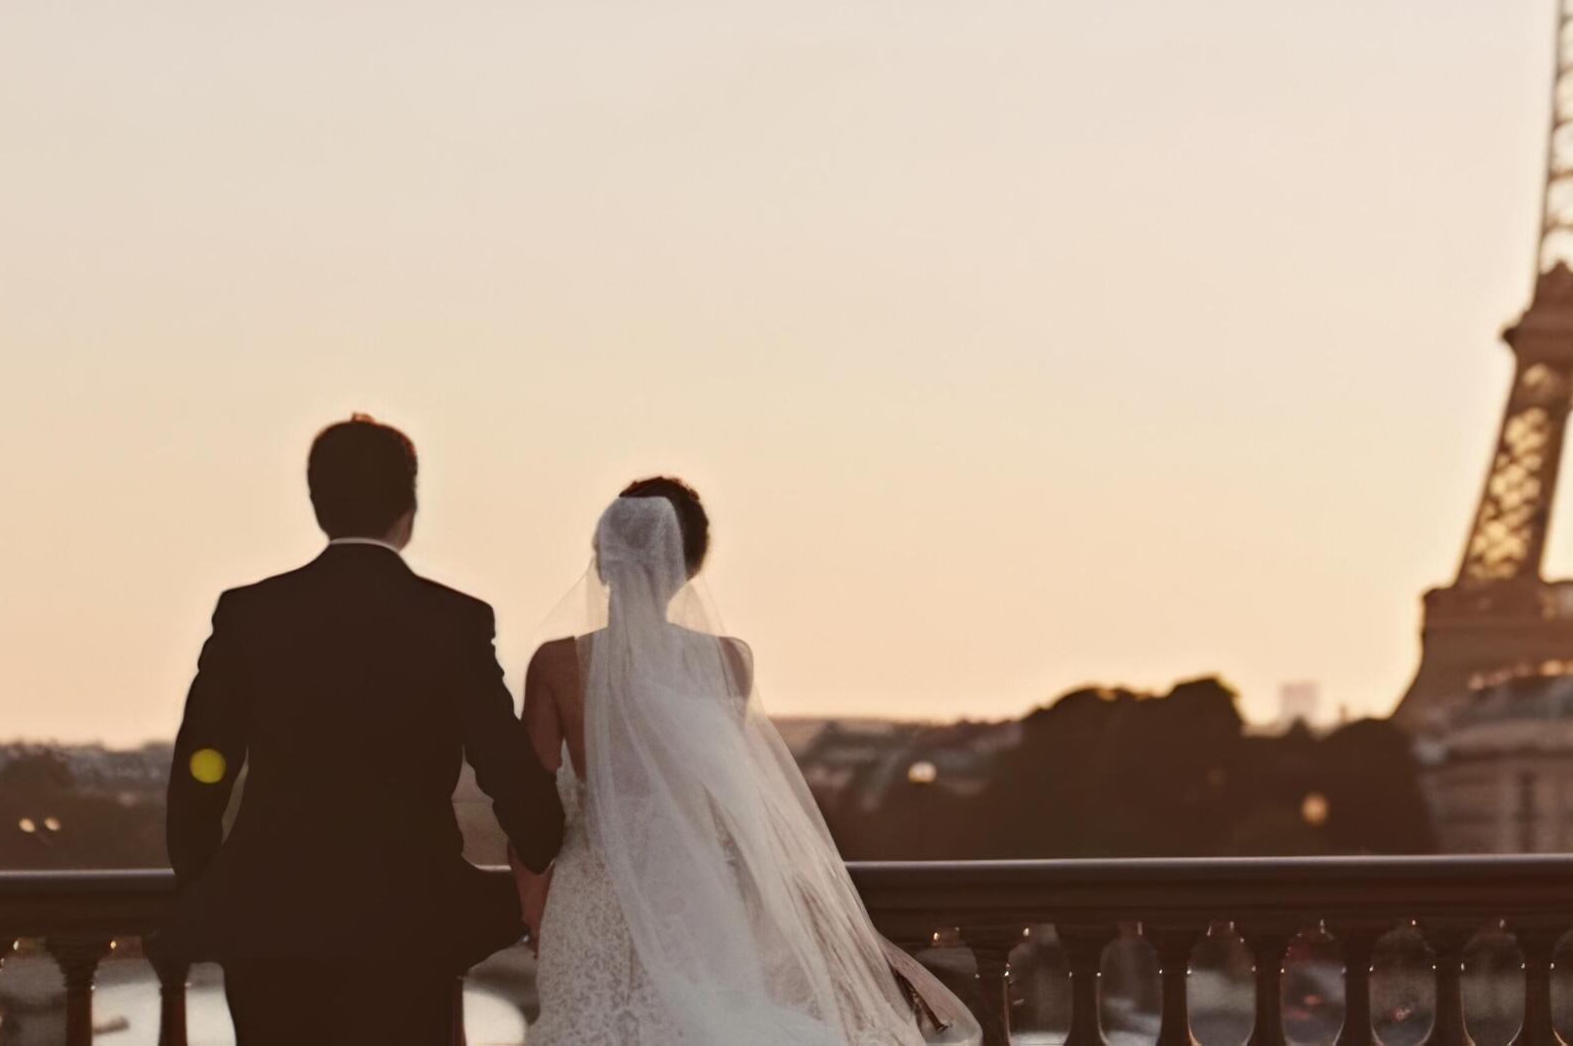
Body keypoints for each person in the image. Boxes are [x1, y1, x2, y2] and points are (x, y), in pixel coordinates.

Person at [517, 476, 978, 1046]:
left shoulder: (557, 666)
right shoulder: (729, 661)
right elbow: (721, 801)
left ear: (604, 563)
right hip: (695, 897)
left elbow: (529, 812)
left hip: (593, 897)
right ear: (688, 569)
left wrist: (536, 915)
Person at [164, 416, 565, 1045]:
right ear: (409, 508)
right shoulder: (453, 621)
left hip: (271, 923)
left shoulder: (249, 614)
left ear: (317, 503)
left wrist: (204, 879)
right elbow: (505, 769)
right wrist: (541, 849)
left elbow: (203, 764)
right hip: (407, 927)